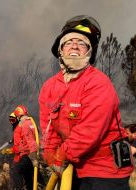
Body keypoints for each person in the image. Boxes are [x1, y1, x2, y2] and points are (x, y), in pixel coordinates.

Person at [39, 15, 134, 190]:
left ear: (89, 52)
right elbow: (48, 127)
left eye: (82, 43)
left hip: (105, 170)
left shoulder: (99, 84)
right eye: (68, 42)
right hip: (73, 165)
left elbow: (89, 132)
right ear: (60, 50)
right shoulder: (49, 87)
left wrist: (60, 155)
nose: (74, 45)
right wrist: (50, 154)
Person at [2, 105, 39, 190]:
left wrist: (34, 159)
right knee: (27, 175)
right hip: (27, 154)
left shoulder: (24, 124)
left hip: (25, 155)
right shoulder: (30, 122)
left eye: (14, 118)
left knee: (14, 172)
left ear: (18, 116)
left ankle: (19, 188)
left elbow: (30, 142)